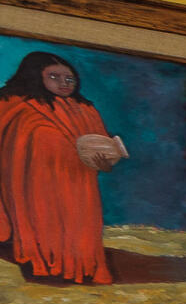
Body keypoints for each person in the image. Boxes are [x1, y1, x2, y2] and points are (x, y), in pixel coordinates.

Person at [0, 51, 126, 285]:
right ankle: (42, 265)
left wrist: (106, 160)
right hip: (33, 184)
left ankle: (80, 268)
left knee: (79, 226)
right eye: (54, 77)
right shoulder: (16, 105)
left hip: (78, 183)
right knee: (42, 222)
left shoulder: (84, 108)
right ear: (36, 76)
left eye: (69, 79)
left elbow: (99, 146)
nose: (63, 84)